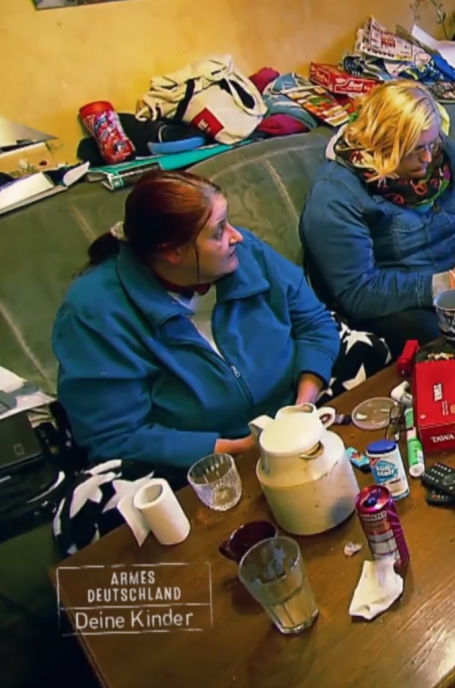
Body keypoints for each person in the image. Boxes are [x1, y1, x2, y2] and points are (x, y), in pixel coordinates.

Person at [52, 171, 340, 469]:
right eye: (218, 231)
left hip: (297, 410)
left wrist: (302, 409)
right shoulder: (94, 314)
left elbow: (315, 323)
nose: (236, 236)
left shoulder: (247, 253)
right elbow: (115, 435)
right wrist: (242, 448)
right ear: (173, 252)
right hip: (193, 457)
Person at [300, 80, 455, 356]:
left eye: (432, 144)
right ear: (383, 146)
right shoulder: (335, 196)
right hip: (421, 302)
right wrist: (451, 282)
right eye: (414, 150)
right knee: (426, 333)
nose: (428, 157)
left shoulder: (439, 151)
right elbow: (358, 292)